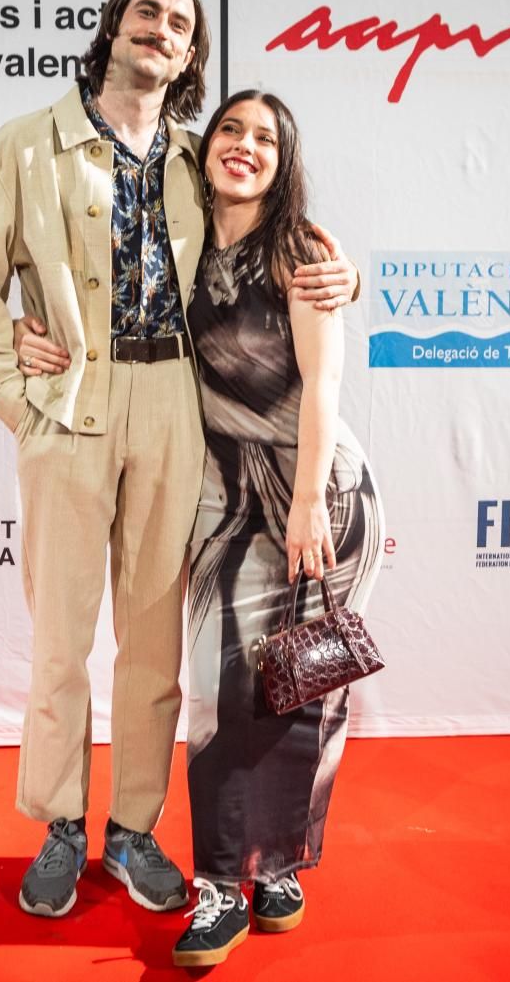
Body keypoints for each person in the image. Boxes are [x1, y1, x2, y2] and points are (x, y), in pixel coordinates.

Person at [0, 0, 359, 920]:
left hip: (175, 413)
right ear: (115, 27)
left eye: (181, 25)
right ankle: (60, 823)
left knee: (152, 646)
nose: (162, 30)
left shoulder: (195, 156)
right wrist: (18, 399)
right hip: (70, 413)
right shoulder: (23, 147)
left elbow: (277, 237)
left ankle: (133, 830)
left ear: (189, 56)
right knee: (61, 638)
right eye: (148, 12)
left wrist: (342, 268)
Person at [170, 90, 384, 967]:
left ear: (283, 160)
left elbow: (323, 386)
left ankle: (280, 867)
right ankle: (219, 883)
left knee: (302, 686)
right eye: (231, 129)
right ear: (205, 142)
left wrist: (303, 506)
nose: (245, 146)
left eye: (266, 137)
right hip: (224, 493)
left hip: (317, 492)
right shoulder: (174, 239)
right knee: (219, 686)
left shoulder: (298, 249)